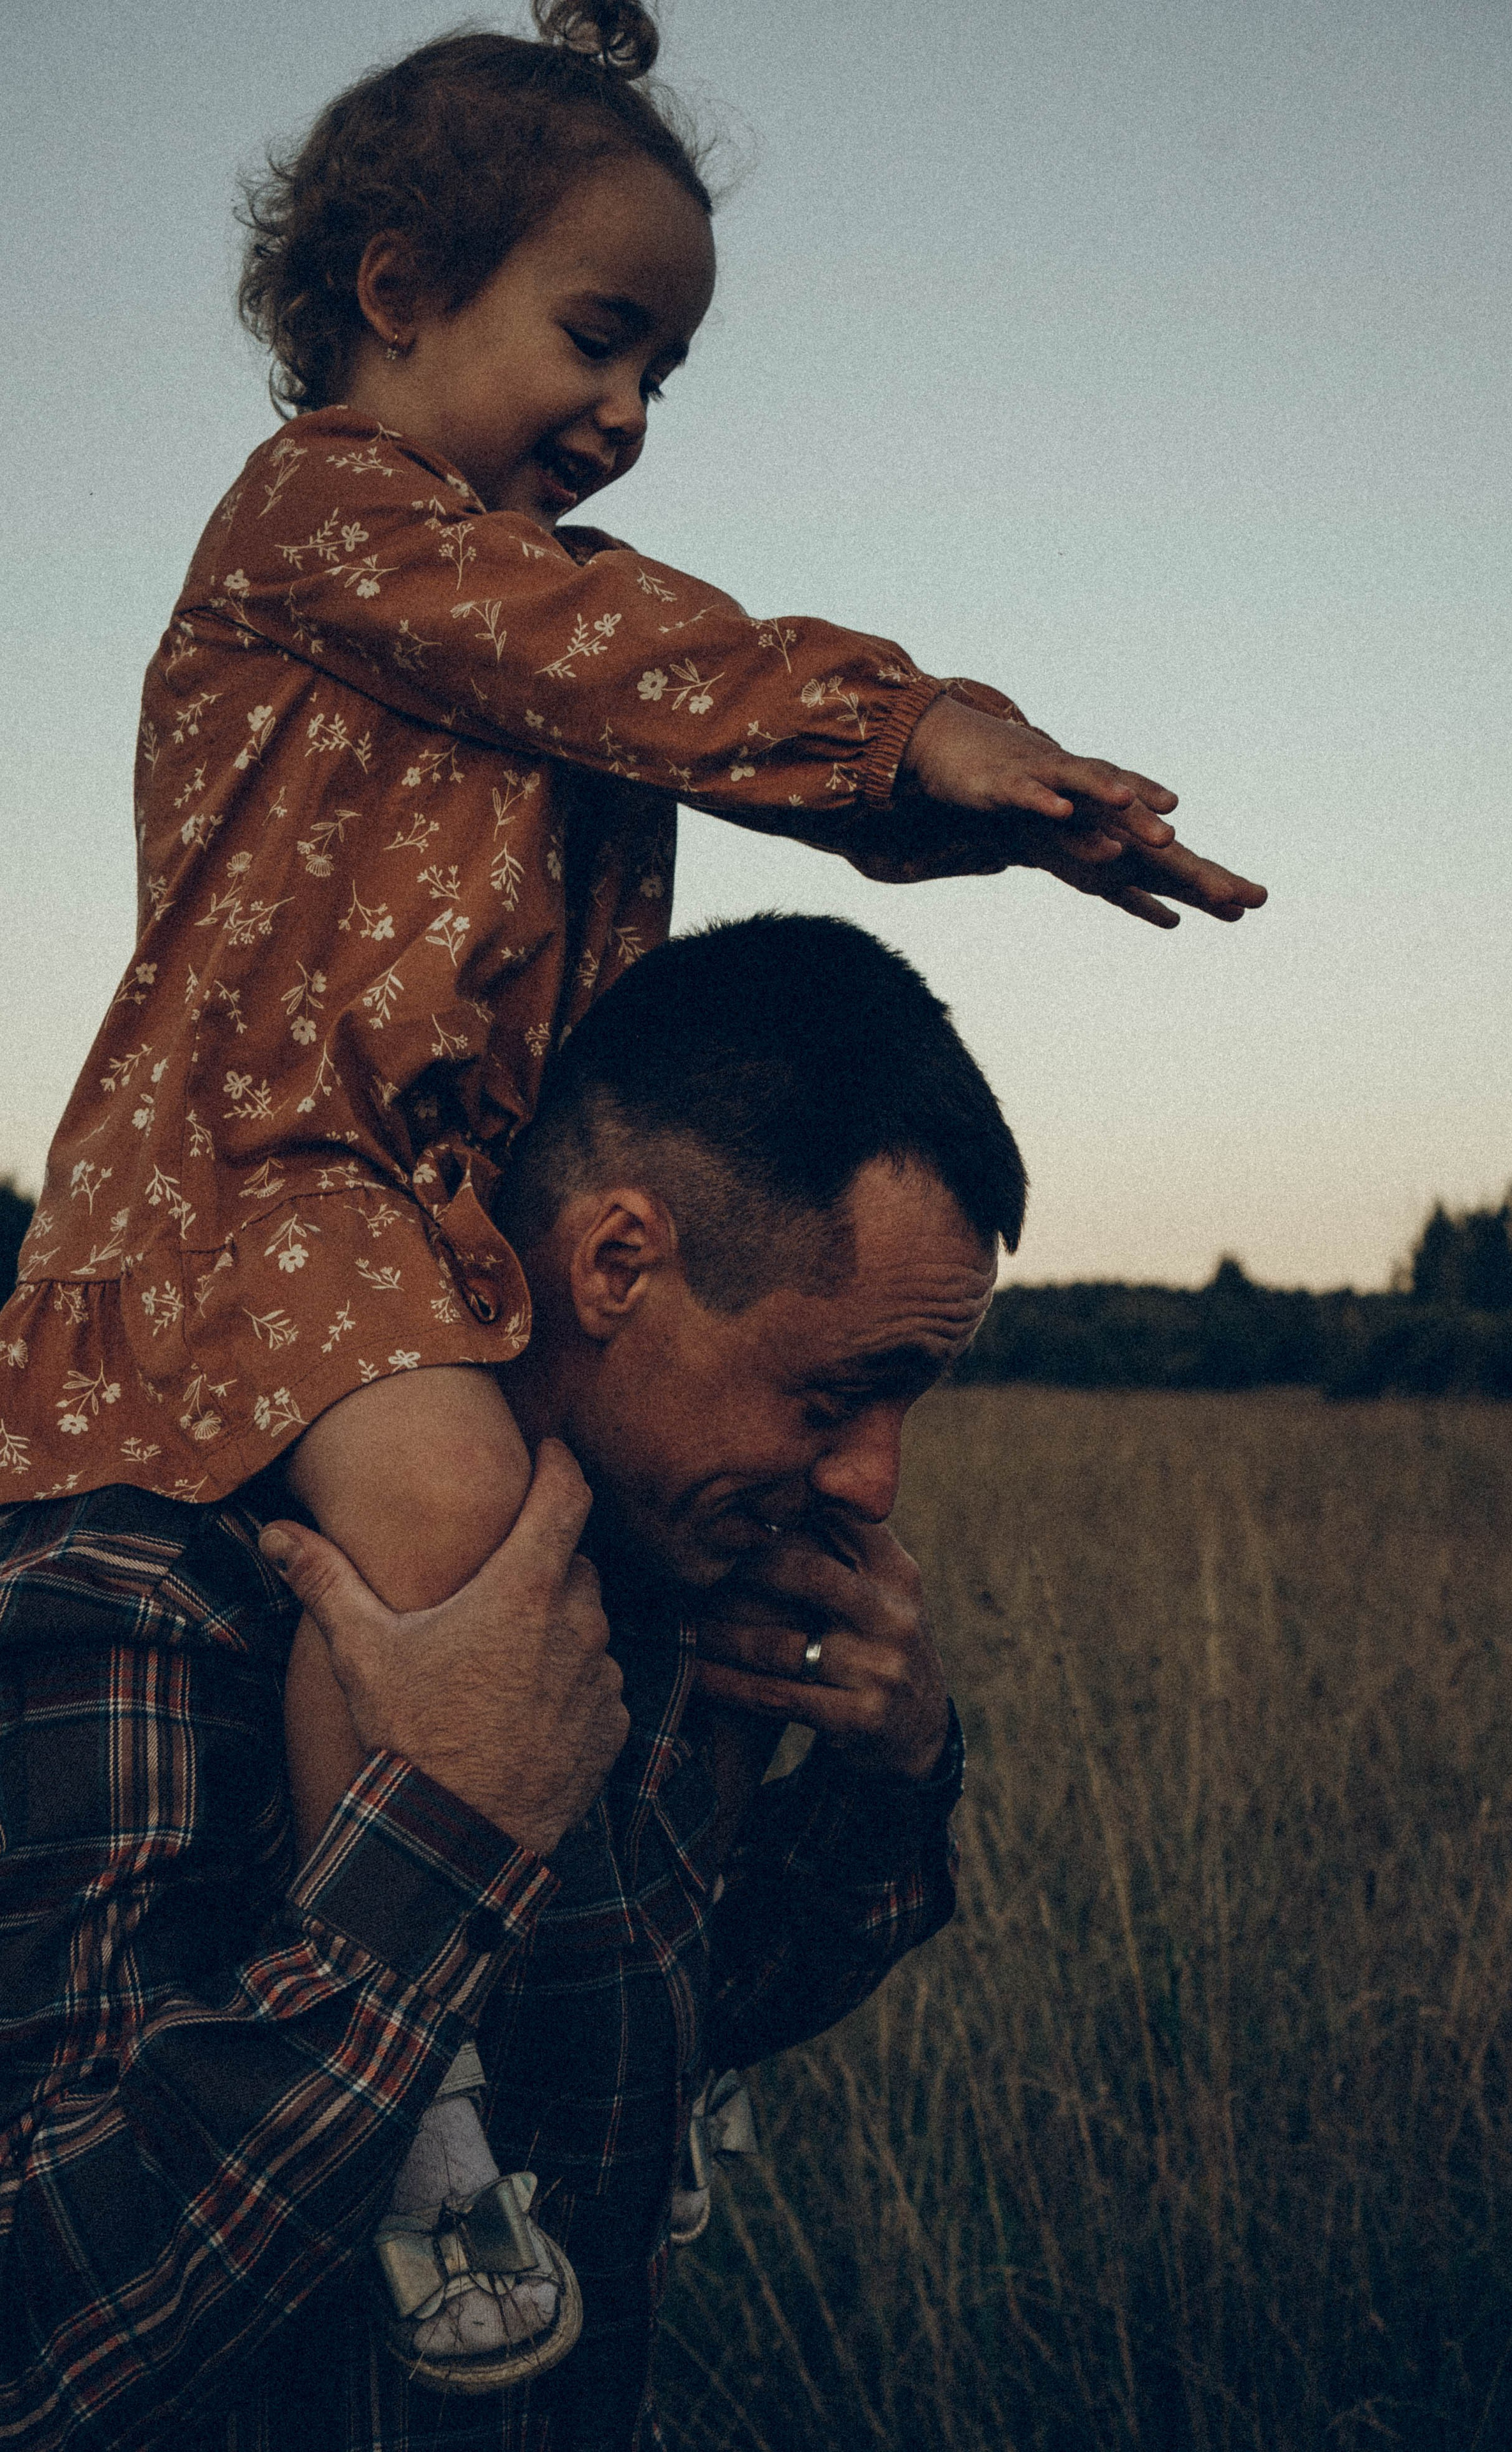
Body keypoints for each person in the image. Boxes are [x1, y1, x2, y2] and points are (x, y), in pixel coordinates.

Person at [0, 0, 1264, 2402]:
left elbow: (632, 679)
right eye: (602, 338)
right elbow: (633, 653)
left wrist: (886, 1777)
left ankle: (588, 2131)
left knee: (576, 1611)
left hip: (423, 1219)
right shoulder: (332, 525)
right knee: (476, 1527)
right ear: (395, 289)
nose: (630, 415)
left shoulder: (531, 627)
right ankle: (431, 2151)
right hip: (272, 1174)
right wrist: (913, 732)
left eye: (667, 367)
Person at [3, 913, 1017, 2450]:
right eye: (834, 1394)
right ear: (618, 1262)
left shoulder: (661, 1584)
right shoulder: (151, 1593)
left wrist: (895, 1773)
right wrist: (436, 1852)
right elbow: (47, 2328)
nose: (872, 1484)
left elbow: (662, 2032)